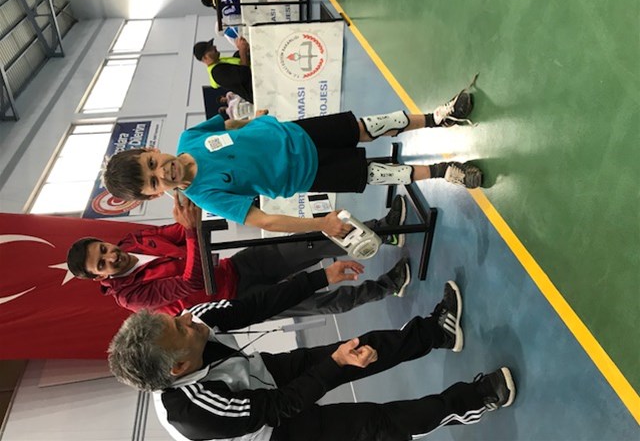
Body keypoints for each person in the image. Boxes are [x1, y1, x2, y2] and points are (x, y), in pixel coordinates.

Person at [108, 277, 516, 441]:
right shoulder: (192, 412)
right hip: (274, 432)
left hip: (265, 375)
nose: (188, 320)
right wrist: (334, 365)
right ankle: (476, 399)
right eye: (180, 330)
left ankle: (437, 332)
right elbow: (279, 407)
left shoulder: (194, 322)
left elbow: (259, 304)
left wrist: (322, 277)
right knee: (376, 424)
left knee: (360, 347)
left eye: (177, 319)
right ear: (178, 367)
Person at [103, 87, 482, 237]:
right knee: (375, 173)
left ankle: (437, 118)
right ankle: (444, 172)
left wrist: (252, 122)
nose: (161, 171)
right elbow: (265, 220)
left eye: (151, 163)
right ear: (154, 195)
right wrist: (321, 223)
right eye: (154, 181)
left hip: (299, 133)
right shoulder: (206, 197)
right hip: (307, 173)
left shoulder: (190, 138)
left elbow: (227, 125)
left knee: (369, 127)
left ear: (151, 150)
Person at [67, 193, 411, 316]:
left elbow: (179, 229)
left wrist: (192, 205)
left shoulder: (133, 241)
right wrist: (191, 231)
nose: (111, 257)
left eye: (103, 249)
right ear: (99, 276)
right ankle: (388, 286)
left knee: (309, 242)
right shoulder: (131, 297)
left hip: (236, 266)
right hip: (234, 303)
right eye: (102, 263)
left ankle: (384, 230)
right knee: (316, 300)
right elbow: (190, 283)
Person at [193, 38, 253, 103]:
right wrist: (243, 51)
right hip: (255, 89)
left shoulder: (219, 62)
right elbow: (244, 75)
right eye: (210, 49)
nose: (214, 47)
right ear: (205, 57)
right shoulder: (216, 73)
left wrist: (244, 49)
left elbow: (237, 61)